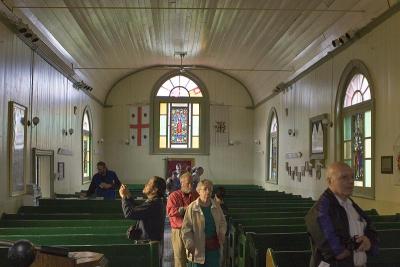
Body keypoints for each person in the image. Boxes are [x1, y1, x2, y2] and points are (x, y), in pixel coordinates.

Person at [305, 162, 378, 267]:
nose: (351, 181)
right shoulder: (320, 210)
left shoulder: (351, 205)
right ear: (330, 181)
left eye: (352, 177)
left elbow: (370, 228)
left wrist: (369, 243)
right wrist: (356, 244)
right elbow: (337, 252)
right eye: (344, 177)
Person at [182, 179, 227, 267]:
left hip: (213, 248)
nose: (208, 191)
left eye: (210, 189)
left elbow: (222, 222)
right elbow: (186, 229)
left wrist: (222, 232)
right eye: (205, 189)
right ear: (199, 191)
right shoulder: (192, 207)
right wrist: (189, 243)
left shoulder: (216, 206)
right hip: (197, 248)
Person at [119, 176, 166, 242]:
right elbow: (139, 209)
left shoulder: (154, 204)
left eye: (148, 184)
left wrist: (123, 197)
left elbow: (129, 213)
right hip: (148, 242)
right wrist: (128, 196)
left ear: (154, 190)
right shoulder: (156, 201)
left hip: (148, 244)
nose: (145, 185)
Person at [167, 172, 199, 267]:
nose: (191, 185)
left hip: (193, 230)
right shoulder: (173, 196)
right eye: (188, 183)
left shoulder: (195, 195)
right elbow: (170, 211)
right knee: (180, 259)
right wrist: (185, 209)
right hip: (179, 231)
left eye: (192, 183)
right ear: (181, 183)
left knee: (194, 258)